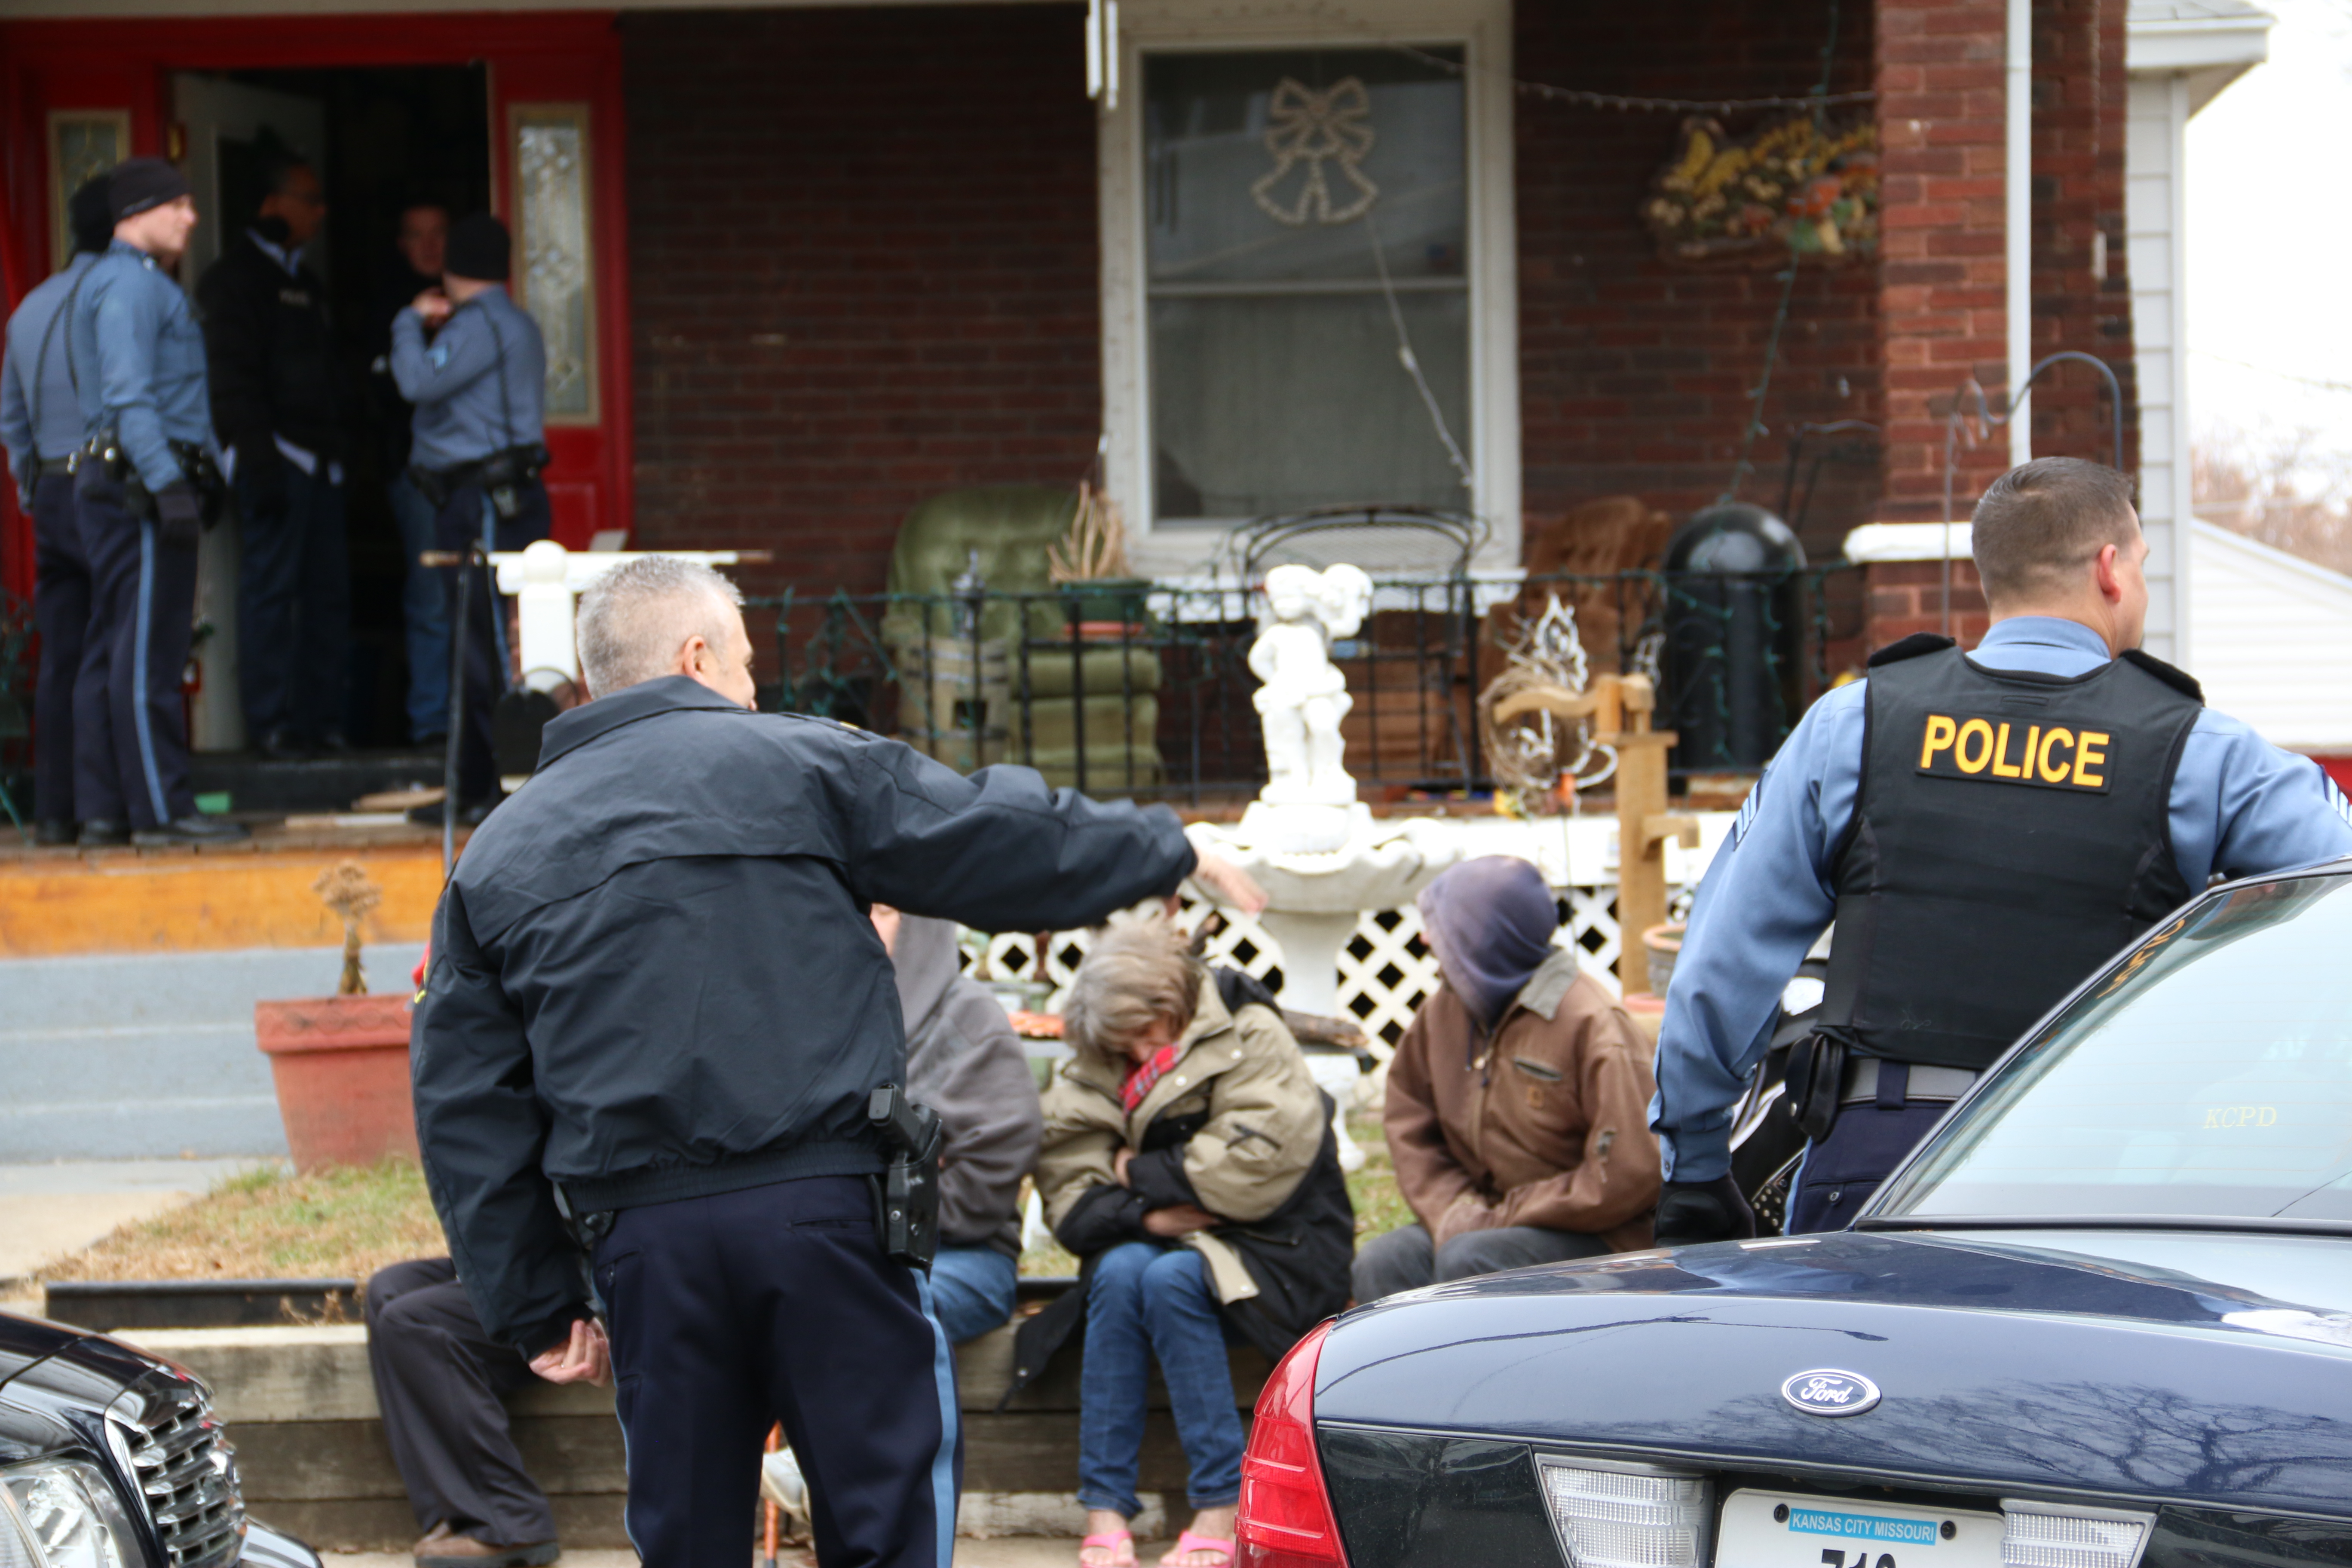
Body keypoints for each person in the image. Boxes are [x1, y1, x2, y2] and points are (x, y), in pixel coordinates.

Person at [410, 554, 1267, 1568]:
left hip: (643, 1243)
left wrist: (533, 1300)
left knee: (689, 1546)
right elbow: (993, 839)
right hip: (821, 1218)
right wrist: (1161, 846)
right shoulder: (808, 766)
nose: (752, 695)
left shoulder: (501, 853)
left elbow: (464, 1100)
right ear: (693, 656)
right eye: (745, 671)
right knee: (884, 1528)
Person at [1651, 457, 2352, 1245]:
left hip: (1879, 1166)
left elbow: (1719, 964)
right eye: (2145, 568)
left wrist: (1696, 1165)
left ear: (1994, 576)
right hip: (2101, 1172)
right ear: (2110, 570)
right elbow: (2336, 901)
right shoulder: (2201, 752)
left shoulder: (1853, 726)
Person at [1022, 918, 1354, 1568]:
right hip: (1163, 1245)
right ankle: (1106, 1506)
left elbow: (1251, 1166)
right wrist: (1153, 1218)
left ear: (1168, 1002)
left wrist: (1132, 1171)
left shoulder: (1248, 1029)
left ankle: (1220, 1503)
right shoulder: (1101, 1053)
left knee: (1168, 1279)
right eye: (1126, 1045)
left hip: (1279, 1247)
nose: (1142, 1055)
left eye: (1149, 1034)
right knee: (1120, 1268)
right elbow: (1071, 1198)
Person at [1351, 856, 1662, 1301]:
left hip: (1603, 1240)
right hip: (1480, 1223)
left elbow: (1631, 1172)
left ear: (1488, 938)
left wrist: (1501, 1218)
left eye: (1442, 928)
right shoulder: (1443, 1012)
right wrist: (1454, 1212)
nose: (1424, 939)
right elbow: (1410, 1125)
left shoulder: (1593, 1024)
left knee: (1472, 1261)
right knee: (1385, 1263)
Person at [67, 158, 248, 848]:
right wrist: (168, 484)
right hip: (138, 490)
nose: (191, 217)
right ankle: (161, 812)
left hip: (140, 484)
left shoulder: (134, 283)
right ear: (138, 211)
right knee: (147, 651)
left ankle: (120, 809)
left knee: (127, 649)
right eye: (178, 204)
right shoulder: (128, 288)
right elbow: (129, 398)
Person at [387, 213, 546, 825]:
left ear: (455, 266)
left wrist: (408, 320)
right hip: (498, 493)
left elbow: (416, 381)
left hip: (482, 498)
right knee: (483, 639)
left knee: (480, 644)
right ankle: (477, 782)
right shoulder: (516, 319)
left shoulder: (478, 323)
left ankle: (493, 788)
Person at [196, 149, 349, 758]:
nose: (320, 213)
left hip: (324, 464)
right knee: (269, 595)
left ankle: (324, 721)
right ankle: (271, 726)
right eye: (309, 201)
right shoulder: (231, 280)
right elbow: (228, 380)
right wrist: (256, 458)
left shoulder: (307, 284)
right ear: (272, 205)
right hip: (277, 460)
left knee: (327, 598)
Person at [1, 176, 116, 845]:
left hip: (47, 489)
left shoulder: (29, 308)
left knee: (60, 653)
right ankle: (103, 811)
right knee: (113, 649)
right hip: (103, 487)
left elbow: (12, 422)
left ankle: (53, 811)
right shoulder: (123, 299)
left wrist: (31, 489)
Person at [873, 904, 1044, 1345]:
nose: (865, 922)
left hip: (962, 1254)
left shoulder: (972, 1019)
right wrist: (913, 1166)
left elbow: (986, 1180)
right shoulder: (819, 1018)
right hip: (839, 1250)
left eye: (883, 911)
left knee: (895, 1316)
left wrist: (870, 1195)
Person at [364, 1258, 561, 1568]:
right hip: (508, 1259)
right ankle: (454, 1512)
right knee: (387, 1289)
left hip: (573, 1271)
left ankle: (509, 1522)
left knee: (411, 1320)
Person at [372, 202, 453, 747]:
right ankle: (431, 725)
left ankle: (483, 723)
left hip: (474, 478)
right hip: (416, 476)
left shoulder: (479, 309)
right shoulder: (384, 309)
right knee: (430, 598)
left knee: (488, 597)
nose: (428, 246)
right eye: (416, 235)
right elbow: (393, 394)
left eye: (438, 234)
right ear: (401, 244)